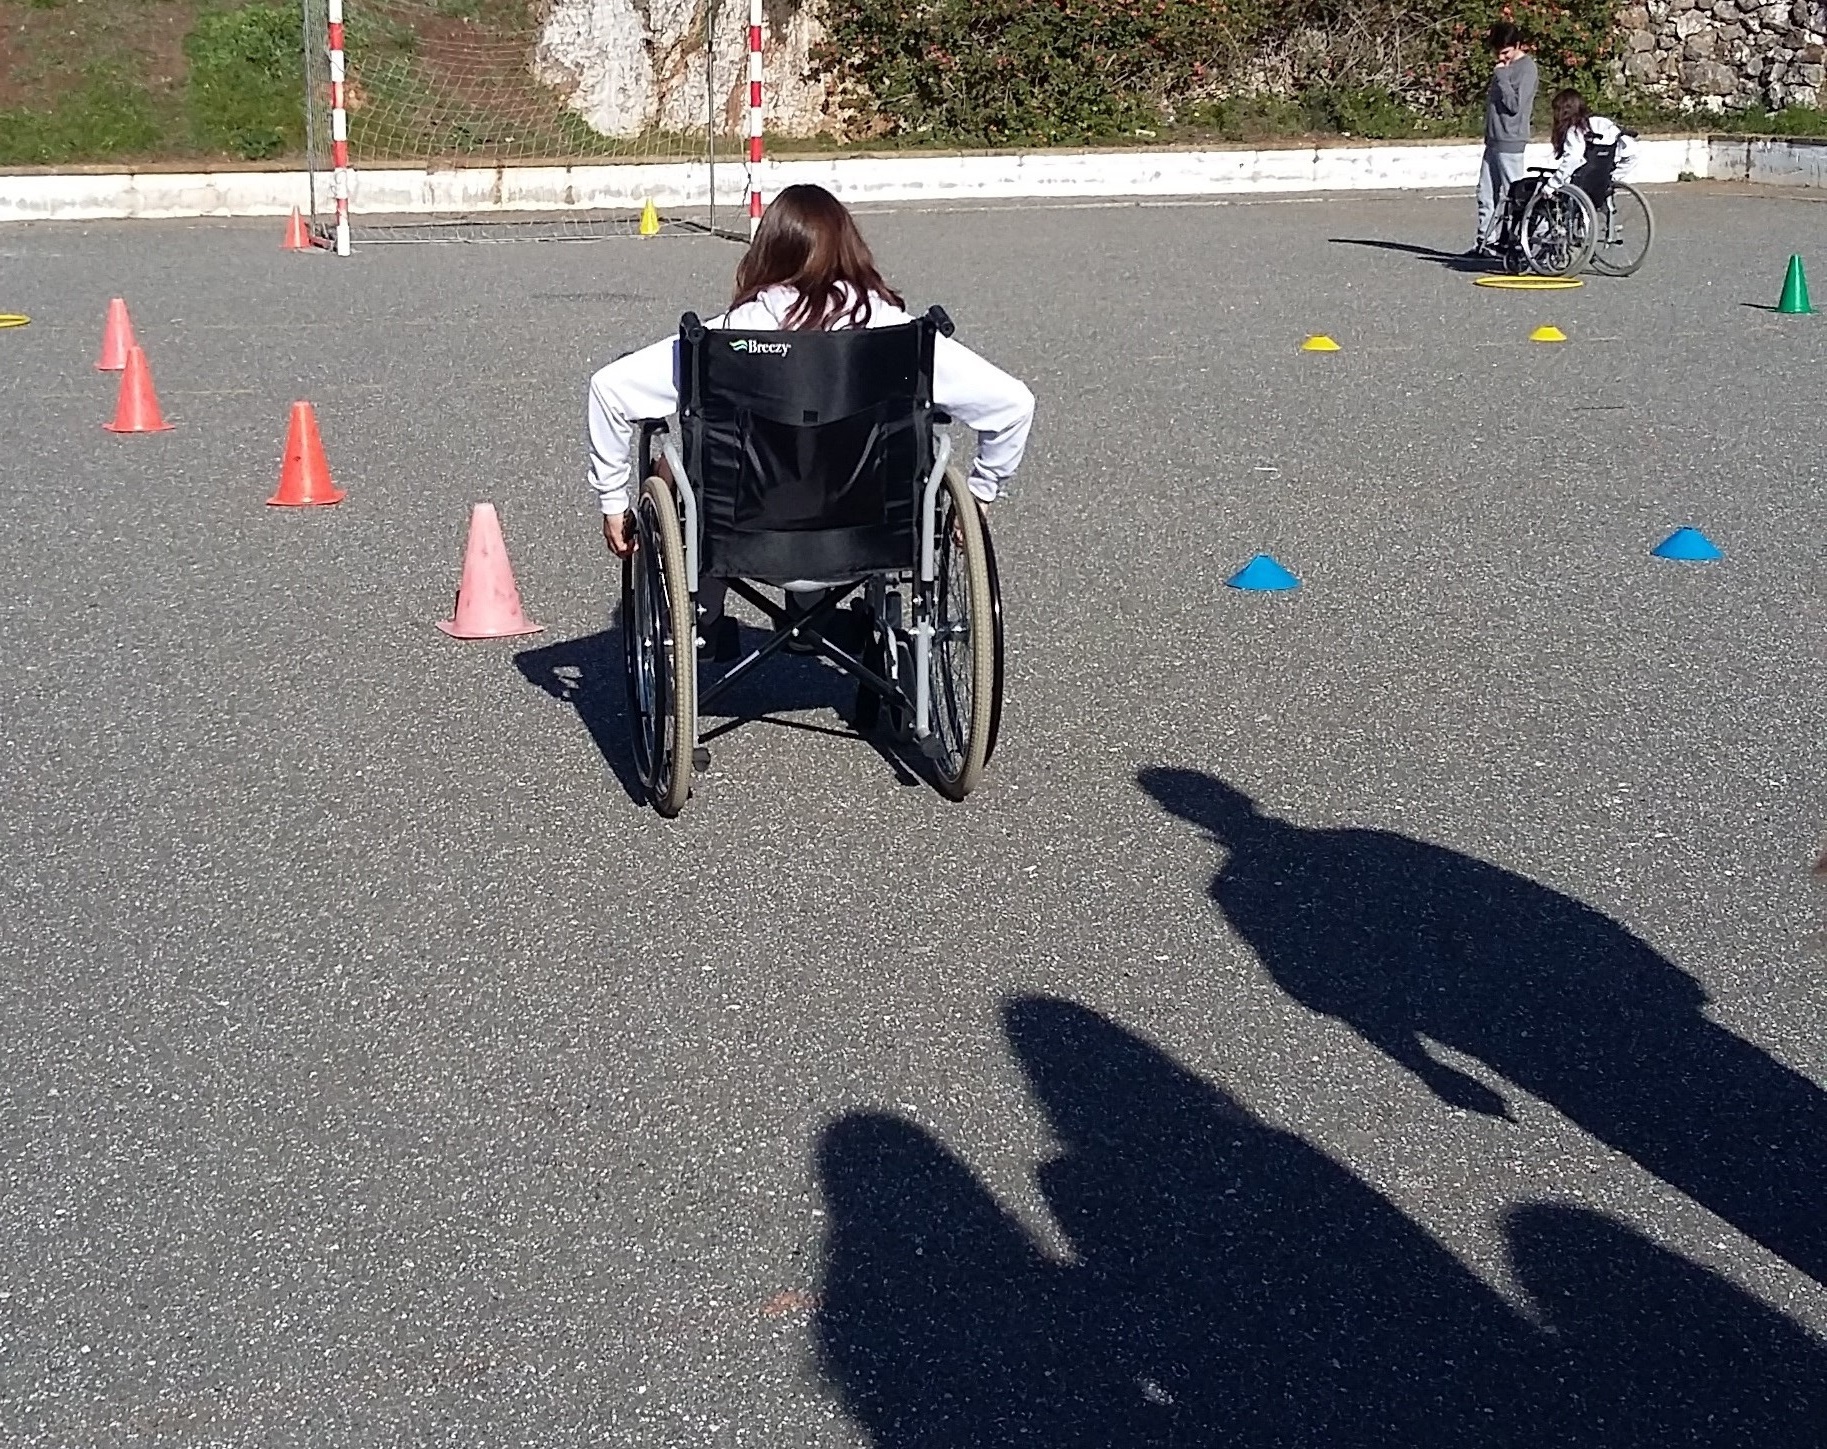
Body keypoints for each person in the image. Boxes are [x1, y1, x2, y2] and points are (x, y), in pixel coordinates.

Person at [586, 184, 1036, 654]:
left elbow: (609, 390)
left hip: (743, 539)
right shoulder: (899, 339)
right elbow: (1013, 405)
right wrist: (982, 493)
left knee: (698, 463)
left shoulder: (724, 341)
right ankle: (817, 621)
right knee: (836, 453)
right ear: (850, 249)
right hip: (872, 538)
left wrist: (613, 500)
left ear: (767, 253)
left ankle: (704, 618)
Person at [1473, 22, 1538, 256]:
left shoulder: (1527, 69)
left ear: (1518, 46)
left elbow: (1514, 106)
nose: (1501, 58)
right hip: (1493, 139)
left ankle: (1523, 241)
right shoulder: (1504, 66)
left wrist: (1501, 76)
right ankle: (1485, 242)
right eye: (1498, 52)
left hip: (1511, 140)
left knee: (1515, 195)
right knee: (1485, 193)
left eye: (1506, 52)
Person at [1544, 88, 1637, 204]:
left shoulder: (1575, 130)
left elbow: (1573, 159)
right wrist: (1613, 178)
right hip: (1601, 183)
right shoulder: (1604, 124)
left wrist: (1551, 185)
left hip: (1581, 184)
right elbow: (1633, 154)